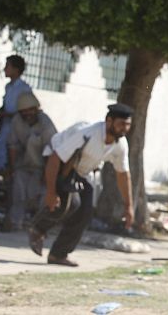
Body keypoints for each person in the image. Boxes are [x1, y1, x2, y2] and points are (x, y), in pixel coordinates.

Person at [28, 103, 135, 267]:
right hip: (59, 163)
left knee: (85, 213)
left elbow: (122, 174)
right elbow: (55, 158)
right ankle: (38, 228)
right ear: (109, 121)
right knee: (69, 204)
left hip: (82, 172)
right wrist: (51, 192)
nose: (124, 129)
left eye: (127, 125)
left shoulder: (120, 144)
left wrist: (128, 206)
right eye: (121, 124)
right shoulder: (88, 133)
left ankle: (58, 254)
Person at [0, 54, 32, 219]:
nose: (5, 69)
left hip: (15, 138)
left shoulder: (24, 89)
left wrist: (4, 114)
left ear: (16, 69)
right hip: (2, 134)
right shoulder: (9, 88)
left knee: (11, 174)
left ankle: (9, 213)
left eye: (8, 66)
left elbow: (25, 113)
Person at [2, 91, 57, 232]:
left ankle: (39, 227)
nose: (28, 114)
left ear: (36, 109)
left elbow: (52, 151)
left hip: (42, 166)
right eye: (24, 112)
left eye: (30, 110)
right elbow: (12, 146)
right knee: (18, 193)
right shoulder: (17, 121)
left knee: (41, 196)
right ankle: (15, 222)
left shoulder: (46, 124)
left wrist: (48, 175)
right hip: (23, 165)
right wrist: (12, 169)